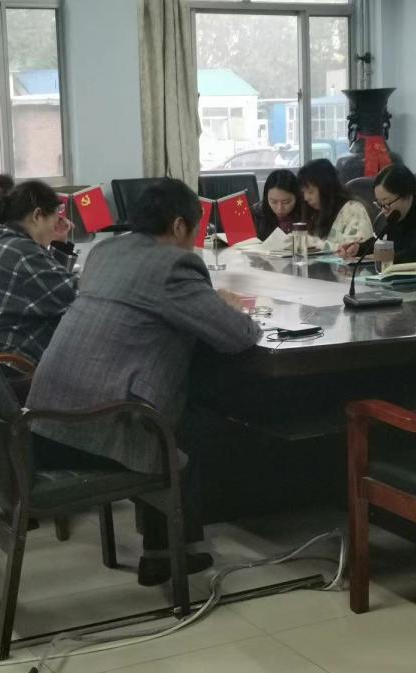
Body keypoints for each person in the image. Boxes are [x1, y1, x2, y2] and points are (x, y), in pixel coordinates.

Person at [26, 178, 260, 586]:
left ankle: (163, 550)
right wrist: (227, 306)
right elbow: (237, 336)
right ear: (180, 225)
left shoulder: (104, 252)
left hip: (45, 417)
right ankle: (170, 553)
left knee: (168, 400)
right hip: (95, 430)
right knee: (192, 417)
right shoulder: (173, 266)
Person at [0, 180, 78, 364]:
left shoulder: (0, 239)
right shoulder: (24, 252)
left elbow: (51, 284)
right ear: (37, 215)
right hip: (14, 364)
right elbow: (81, 299)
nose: (55, 228)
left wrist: (60, 244)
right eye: (54, 221)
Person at [339, 163, 416, 264]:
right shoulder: (398, 214)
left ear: (407, 195)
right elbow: (383, 242)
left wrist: (377, 257)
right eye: (379, 204)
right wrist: (358, 249)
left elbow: (414, 255)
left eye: (387, 203)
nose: (383, 210)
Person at [297, 159, 374, 251]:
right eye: (303, 192)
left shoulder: (353, 209)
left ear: (326, 188)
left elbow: (350, 250)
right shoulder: (313, 212)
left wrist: (313, 243)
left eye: (310, 192)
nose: (306, 198)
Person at [252, 170, 301, 240]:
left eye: (286, 202)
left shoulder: (307, 213)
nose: (279, 208)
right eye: (274, 202)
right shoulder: (256, 215)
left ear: (297, 197)